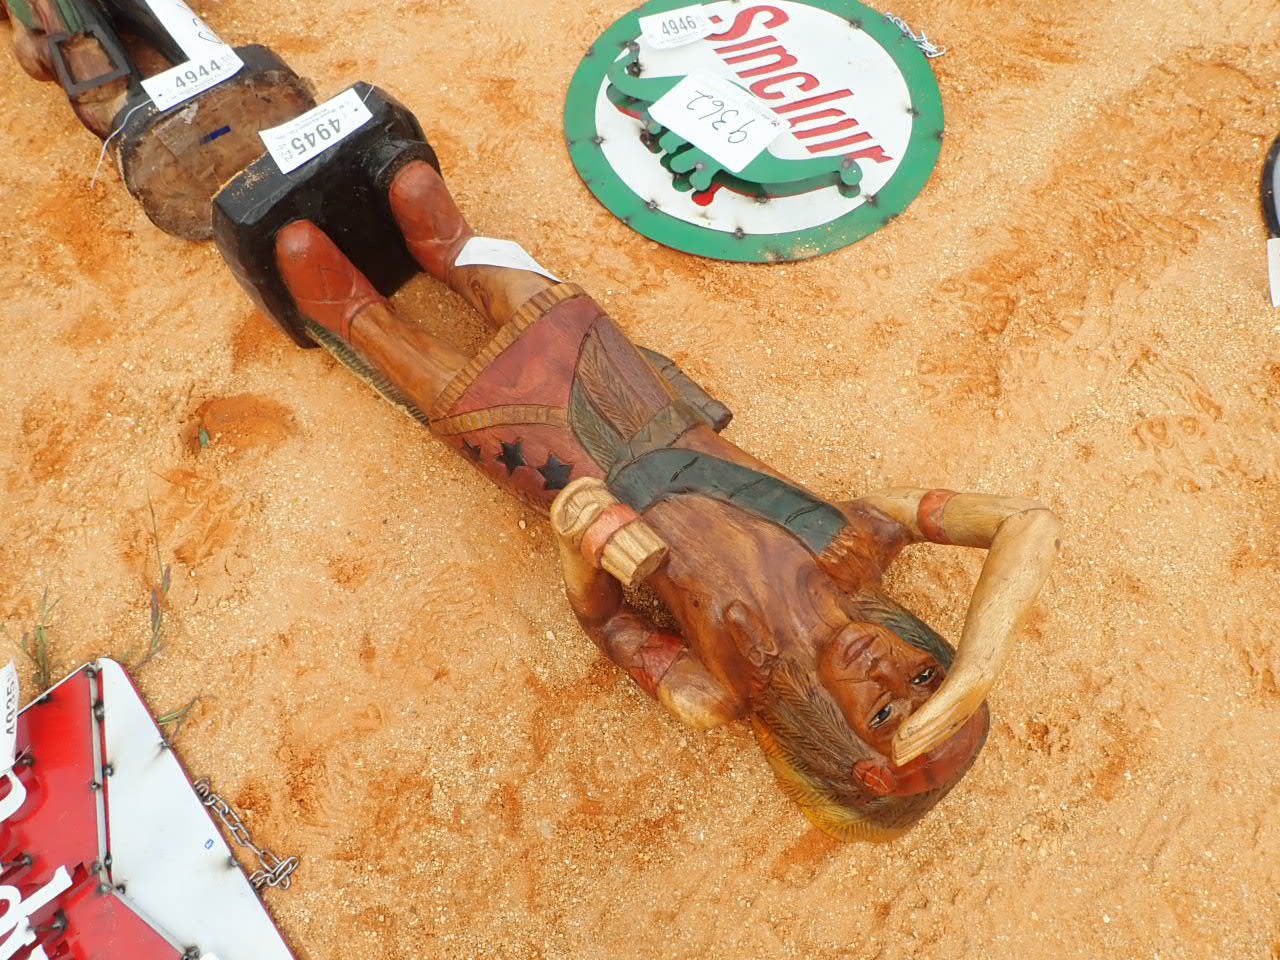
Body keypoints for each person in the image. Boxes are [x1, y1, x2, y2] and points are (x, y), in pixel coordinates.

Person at [271, 159, 1060, 839]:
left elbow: (606, 622)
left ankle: (359, 320)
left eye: (882, 714)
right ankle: (454, 252)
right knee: (553, 312)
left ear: (834, 744)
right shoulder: (861, 545)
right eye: (924, 677)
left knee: (462, 395)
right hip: (645, 402)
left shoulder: (717, 688)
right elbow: (1026, 522)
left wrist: (580, 539)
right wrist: (978, 666)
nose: (888, 673)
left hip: (572, 472)